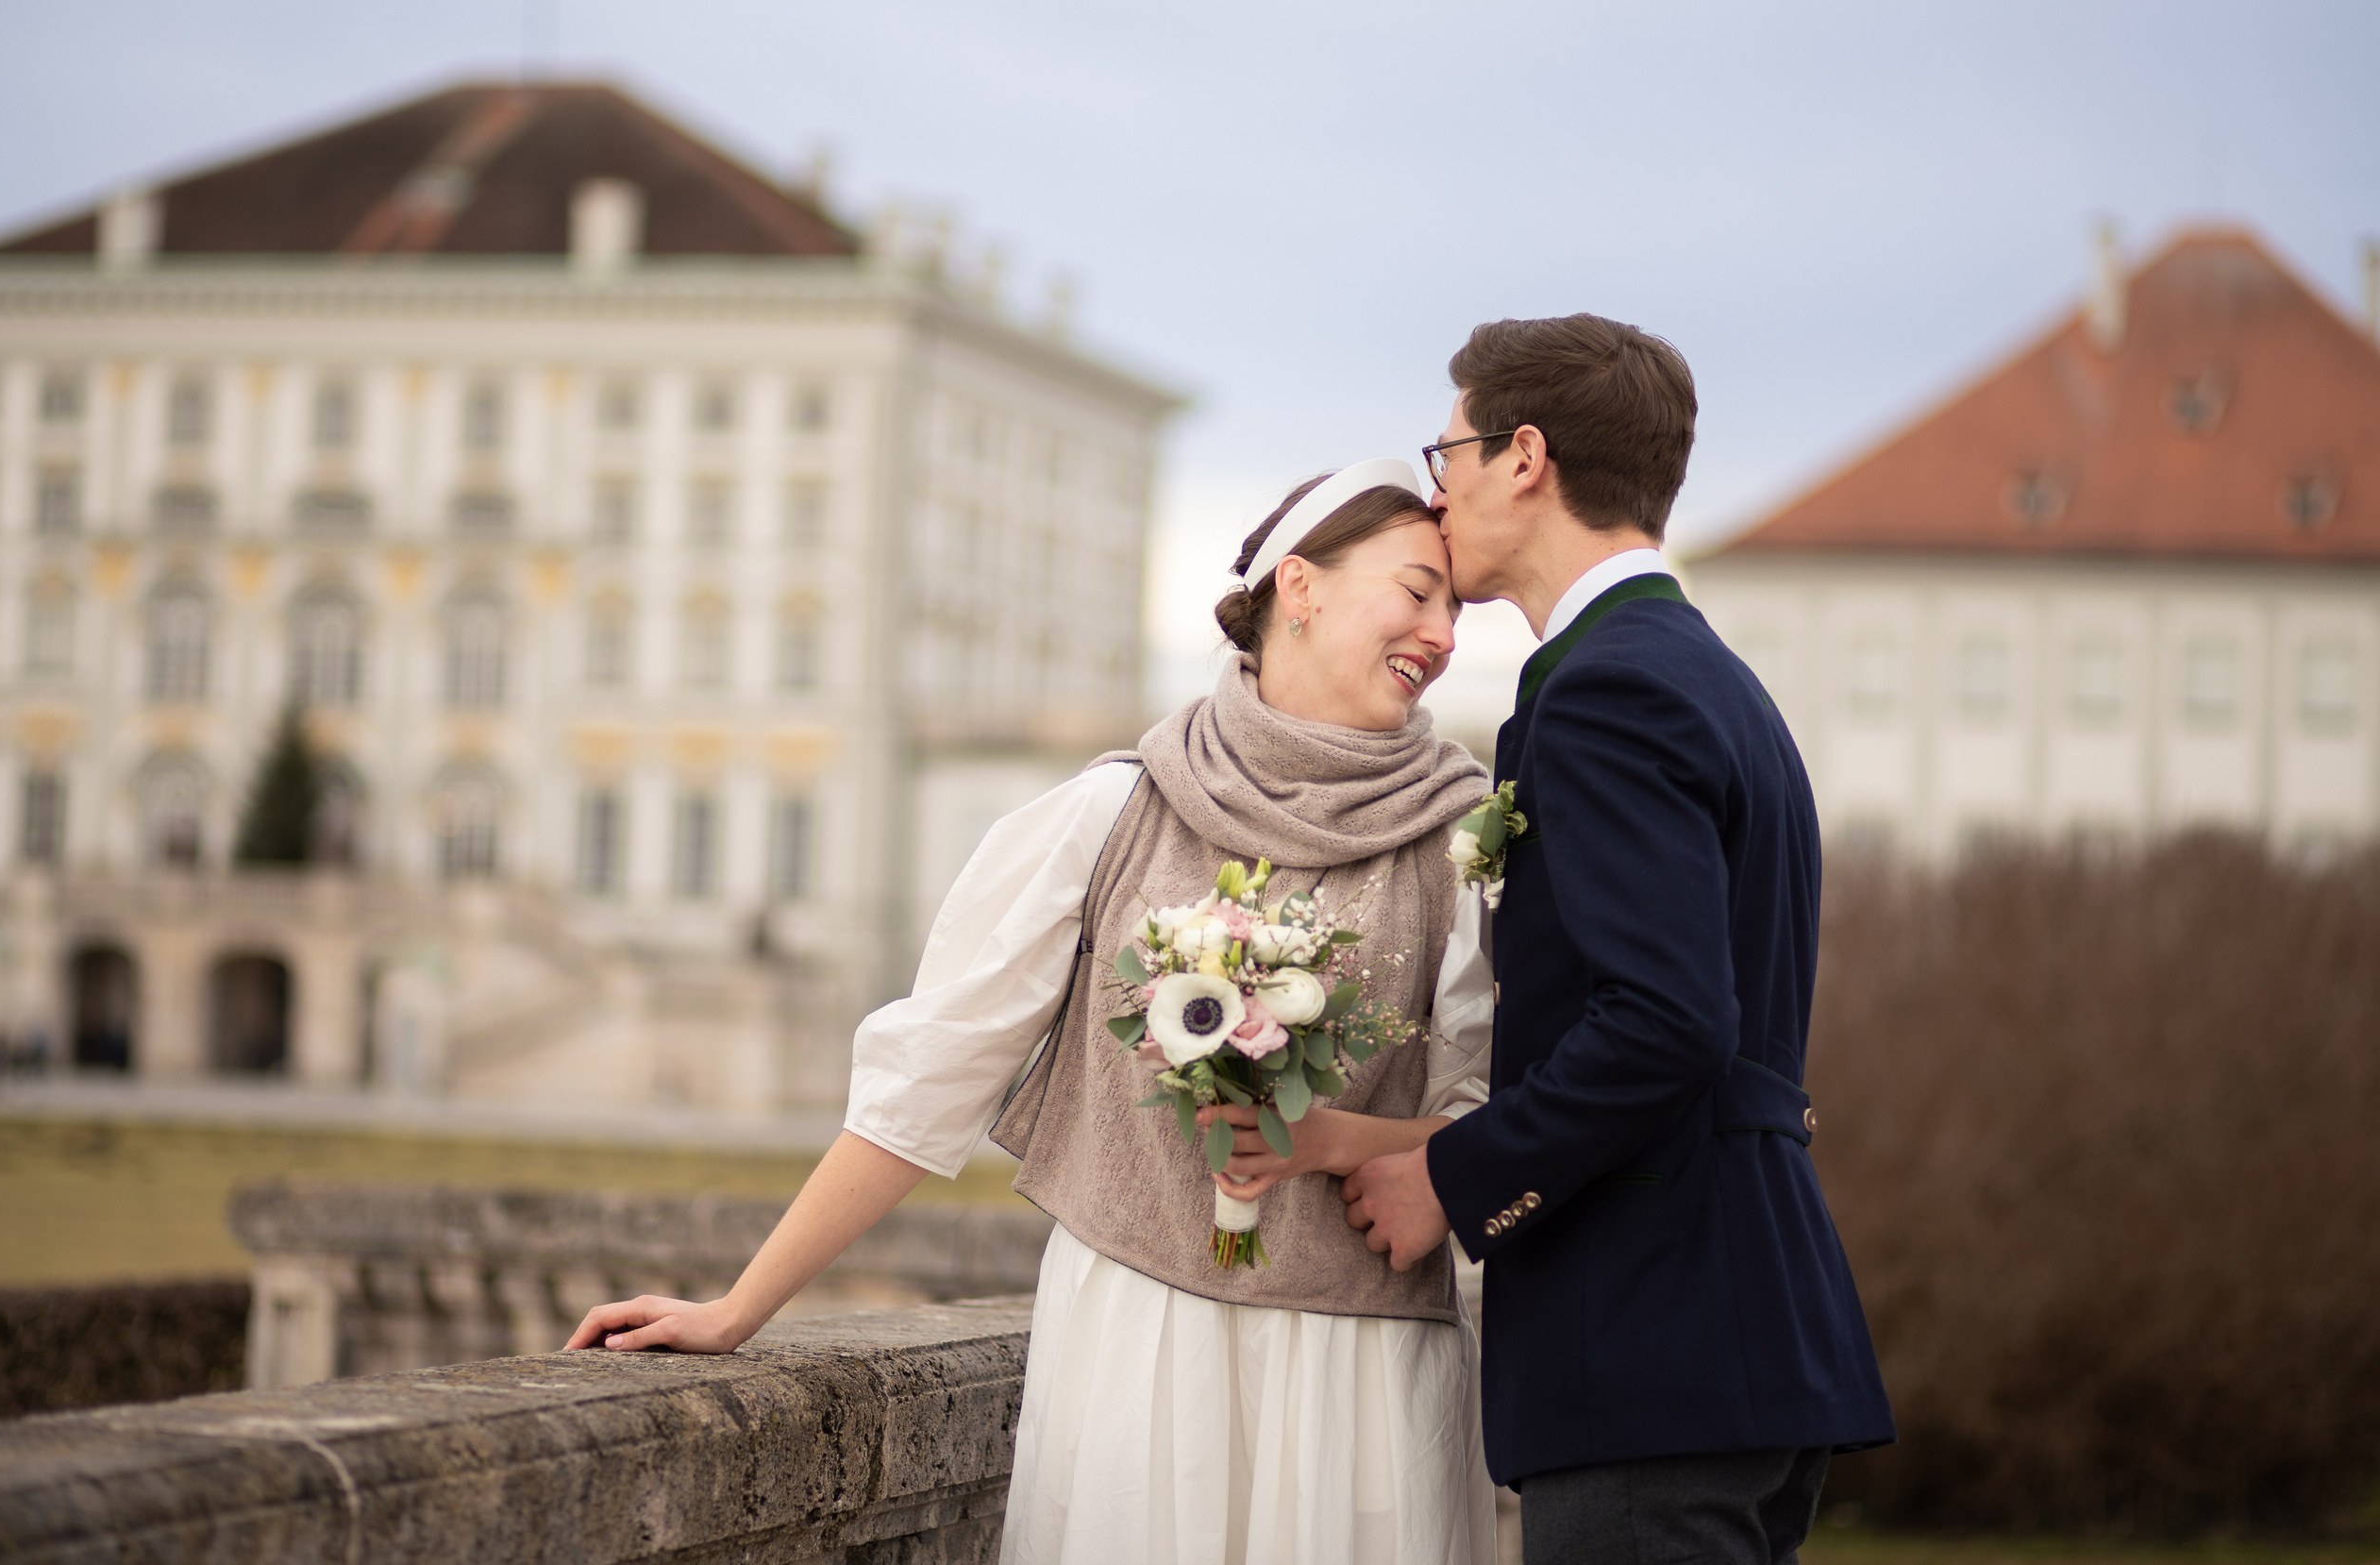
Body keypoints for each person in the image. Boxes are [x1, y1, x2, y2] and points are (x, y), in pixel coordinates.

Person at [570, 460, 1501, 1565]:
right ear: (1297, 585)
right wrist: (738, 1308)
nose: (1442, 633)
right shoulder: (1114, 807)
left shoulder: (1468, 843)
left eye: (1455, 606)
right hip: (1135, 1343)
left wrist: (1334, 1138)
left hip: (1358, 1374)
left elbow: (1489, 1114)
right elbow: (933, 1078)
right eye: (1416, 591)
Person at [1341, 315, 1896, 1565]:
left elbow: (1666, 1020)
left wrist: (1454, 1174)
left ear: (1523, 455)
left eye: (1448, 457)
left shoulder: (1604, 689)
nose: (1440, 496)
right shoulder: (1708, 675)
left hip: (1653, 1341)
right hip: (1743, 1323)